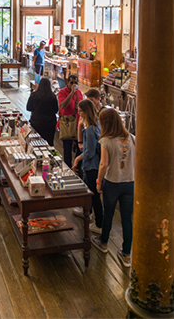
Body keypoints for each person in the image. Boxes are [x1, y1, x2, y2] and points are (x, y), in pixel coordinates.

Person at [92, 108, 134, 268]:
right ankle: (127, 254)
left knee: (107, 214)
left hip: (112, 182)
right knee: (126, 219)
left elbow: (103, 164)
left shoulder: (106, 141)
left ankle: (103, 243)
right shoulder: (132, 138)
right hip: (130, 182)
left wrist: (98, 181)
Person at [72, 100, 102, 234]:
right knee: (88, 190)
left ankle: (99, 223)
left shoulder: (90, 129)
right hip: (95, 164)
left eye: (81, 111)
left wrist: (78, 159)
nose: (79, 113)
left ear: (86, 111)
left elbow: (89, 151)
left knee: (94, 195)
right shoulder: (95, 125)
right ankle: (87, 211)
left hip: (92, 165)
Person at [57, 74, 83, 168]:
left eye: (75, 82)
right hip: (67, 124)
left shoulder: (79, 93)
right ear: (67, 82)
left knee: (80, 148)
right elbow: (63, 105)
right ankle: (67, 168)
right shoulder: (62, 92)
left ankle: (76, 167)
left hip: (78, 124)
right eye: (71, 82)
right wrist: (72, 93)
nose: (73, 84)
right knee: (67, 149)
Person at [26, 77, 59, 146]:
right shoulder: (52, 97)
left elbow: (28, 108)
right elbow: (56, 110)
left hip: (36, 122)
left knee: (35, 142)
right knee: (49, 143)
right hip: (50, 124)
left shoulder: (34, 95)